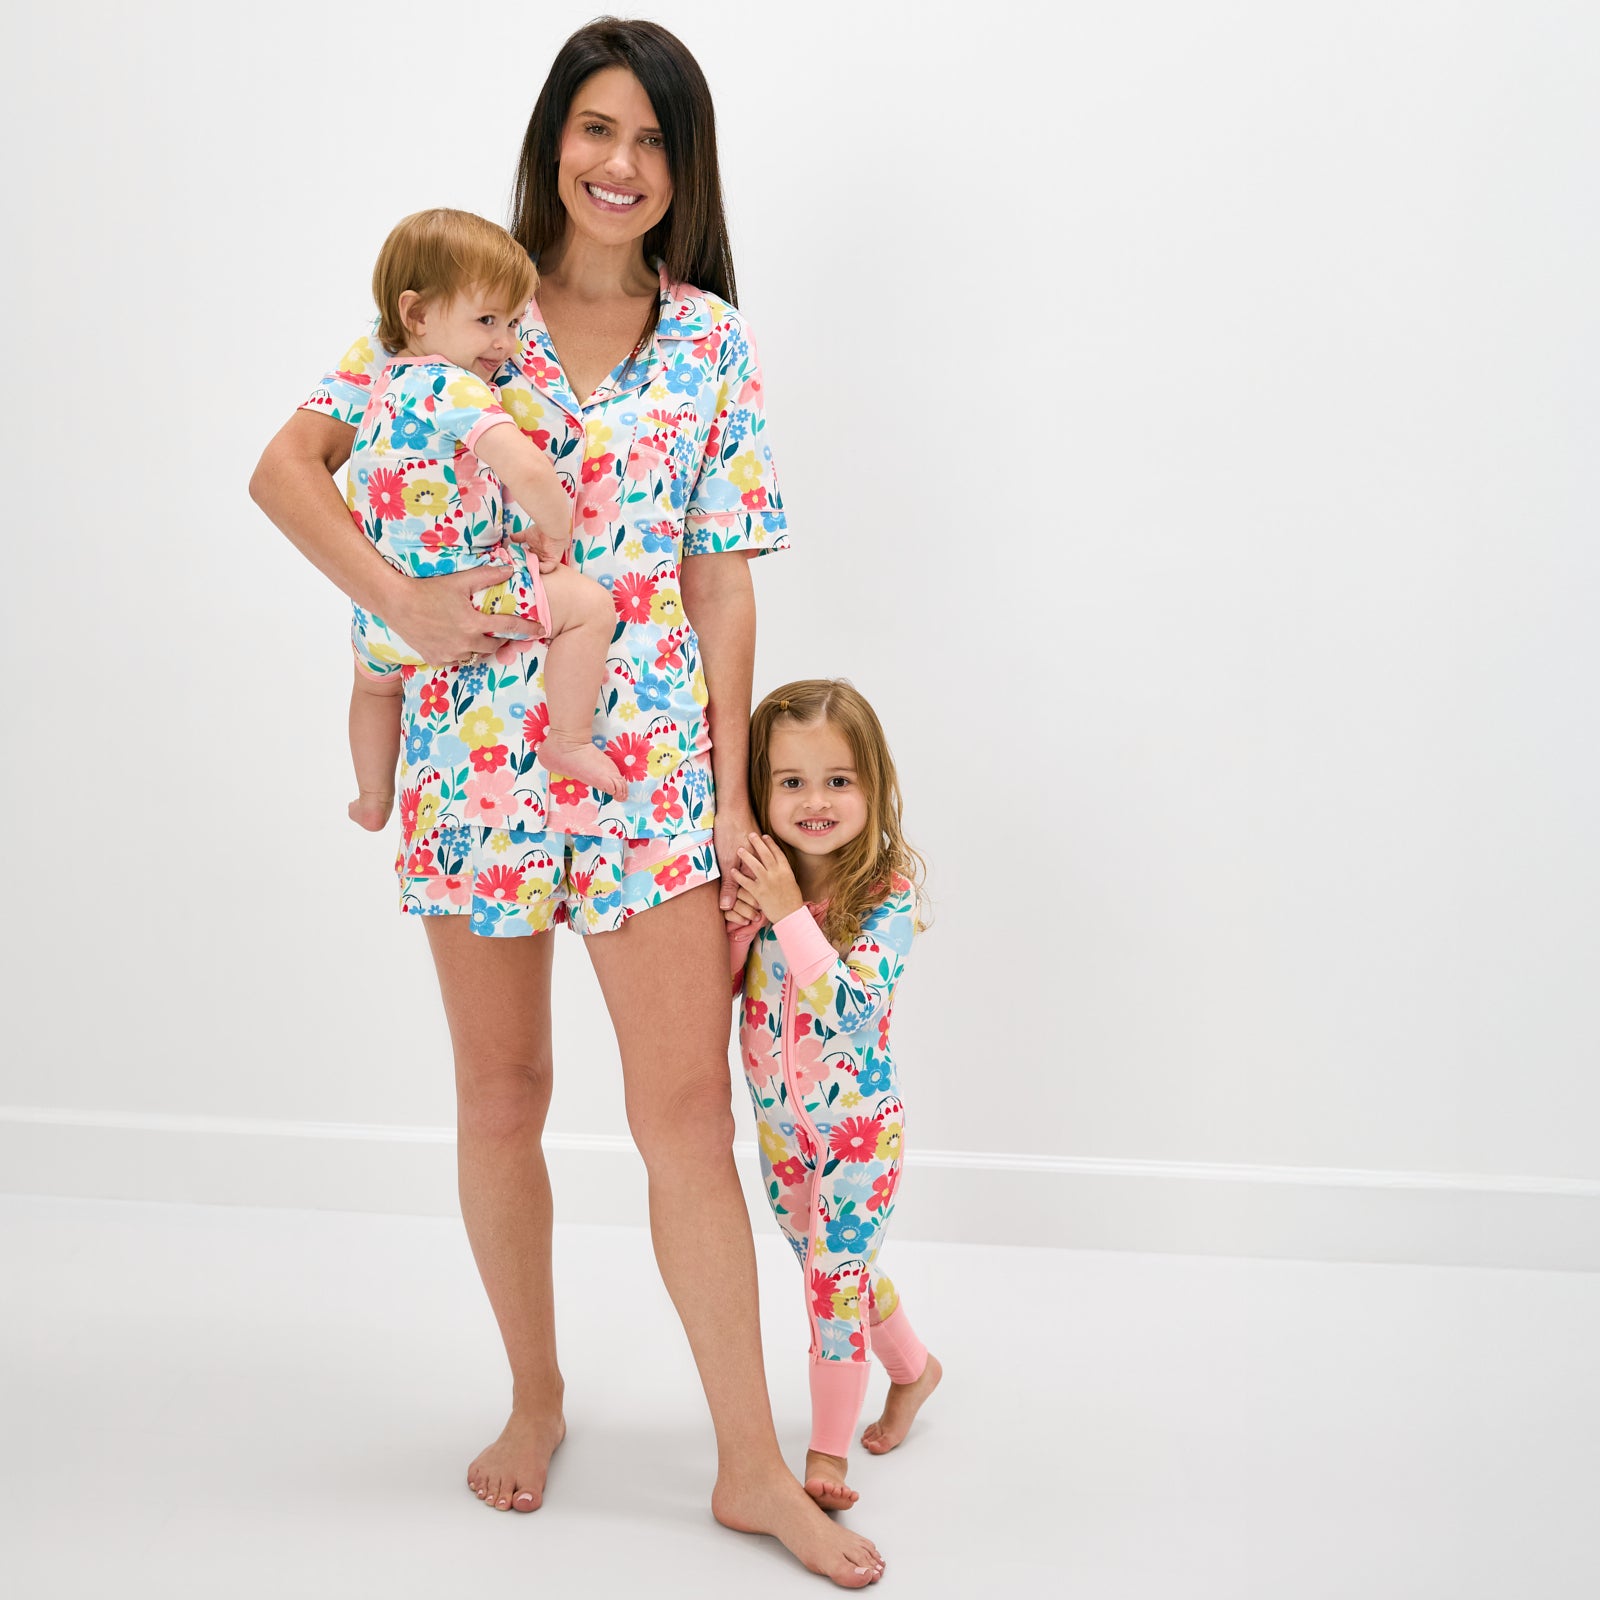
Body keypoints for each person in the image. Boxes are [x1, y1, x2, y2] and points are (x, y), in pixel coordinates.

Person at [250, 17, 885, 1588]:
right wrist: (402, 597)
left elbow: (718, 577)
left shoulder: (711, 341)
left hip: (651, 761)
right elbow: (284, 468)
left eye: (654, 142)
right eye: (597, 130)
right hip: (471, 756)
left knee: (683, 1111)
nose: (620, 166)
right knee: (501, 1093)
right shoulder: (461, 300)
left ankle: (749, 1462)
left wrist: (735, 789)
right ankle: (534, 1397)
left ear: (685, 170)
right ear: (553, 139)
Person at [727, 680, 942, 1513]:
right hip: (781, 1135)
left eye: (839, 780)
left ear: (874, 786)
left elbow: (851, 1010)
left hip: (860, 1136)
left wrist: (787, 914)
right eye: (791, 782)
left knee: (831, 1278)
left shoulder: (884, 896)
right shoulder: (757, 887)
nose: (815, 801)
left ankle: (827, 1457)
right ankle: (915, 1370)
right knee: (835, 1273)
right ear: (761, 788)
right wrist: (749, 921)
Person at [345, 208, 624, 832]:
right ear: (417, 315)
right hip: (465, 585)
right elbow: (527, 470)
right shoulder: (456, 387)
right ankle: (571, 738)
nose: (506, 343)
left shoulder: (385, 382)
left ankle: (370, 794)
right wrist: (555, 528)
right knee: (589, 607)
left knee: (373, 688)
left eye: (514, 322)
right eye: (487, 321)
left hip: (382, 610)